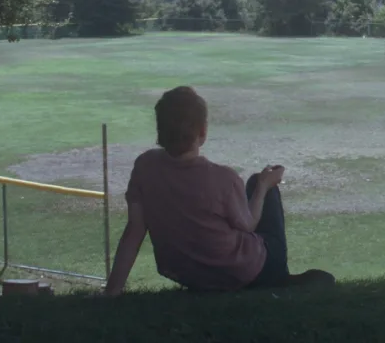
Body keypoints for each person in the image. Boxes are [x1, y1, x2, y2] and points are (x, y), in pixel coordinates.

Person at [105, 87, 334, 296]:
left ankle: (278, 278)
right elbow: (248, 224)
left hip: (187, 274)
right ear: (202, 132)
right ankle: (276, 277)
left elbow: (134, 230)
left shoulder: (144, 167)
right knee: (257, 183)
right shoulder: (223, 178)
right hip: (241, 271)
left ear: (160, 130)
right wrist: (265, 185)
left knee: (251, 190)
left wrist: (113, 289)